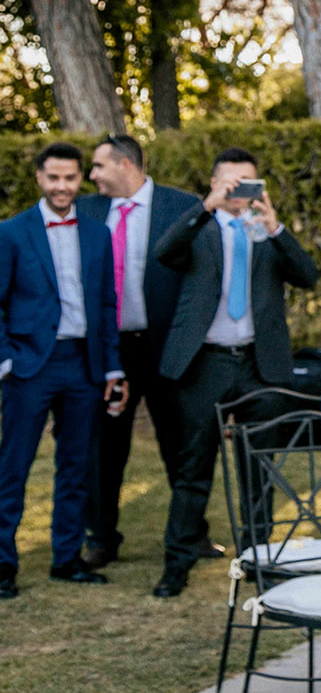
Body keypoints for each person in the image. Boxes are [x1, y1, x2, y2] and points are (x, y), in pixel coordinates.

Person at [151, 147, 319, 598]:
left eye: (247, 181)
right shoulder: (200, 227)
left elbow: (308, 275)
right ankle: (177, 563)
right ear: (214, 184)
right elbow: (164, 253)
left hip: (258, 366)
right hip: (205, 363)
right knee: (193, 467)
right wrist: (205, 207)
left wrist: (276, 227)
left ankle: (259, 561)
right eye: (230, 182)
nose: (239, 190)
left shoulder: (265, 232)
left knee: (258, 469)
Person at [0, 143, 128, 600]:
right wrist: (7, 360)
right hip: (30, 366)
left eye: (70, 178)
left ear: (80, 180)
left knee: (75, 468)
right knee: (12, 468)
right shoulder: (12, 233)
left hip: (84, 366)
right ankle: (2, 565)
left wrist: (112, 367)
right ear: (40, 178)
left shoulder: (98, 234)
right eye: (54, 178)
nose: (62, 186)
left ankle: (66, 558)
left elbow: (108, 305)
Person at [79, 134, 204, 569]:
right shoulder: (86, 211)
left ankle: (193, 532)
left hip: (167, 347)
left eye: (98, 166)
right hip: (112, 351)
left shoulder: (182, 206)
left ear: (126, 164)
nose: (91, 175)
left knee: (179, 442)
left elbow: (199, 277)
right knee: (106, 446)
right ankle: (102, 537)